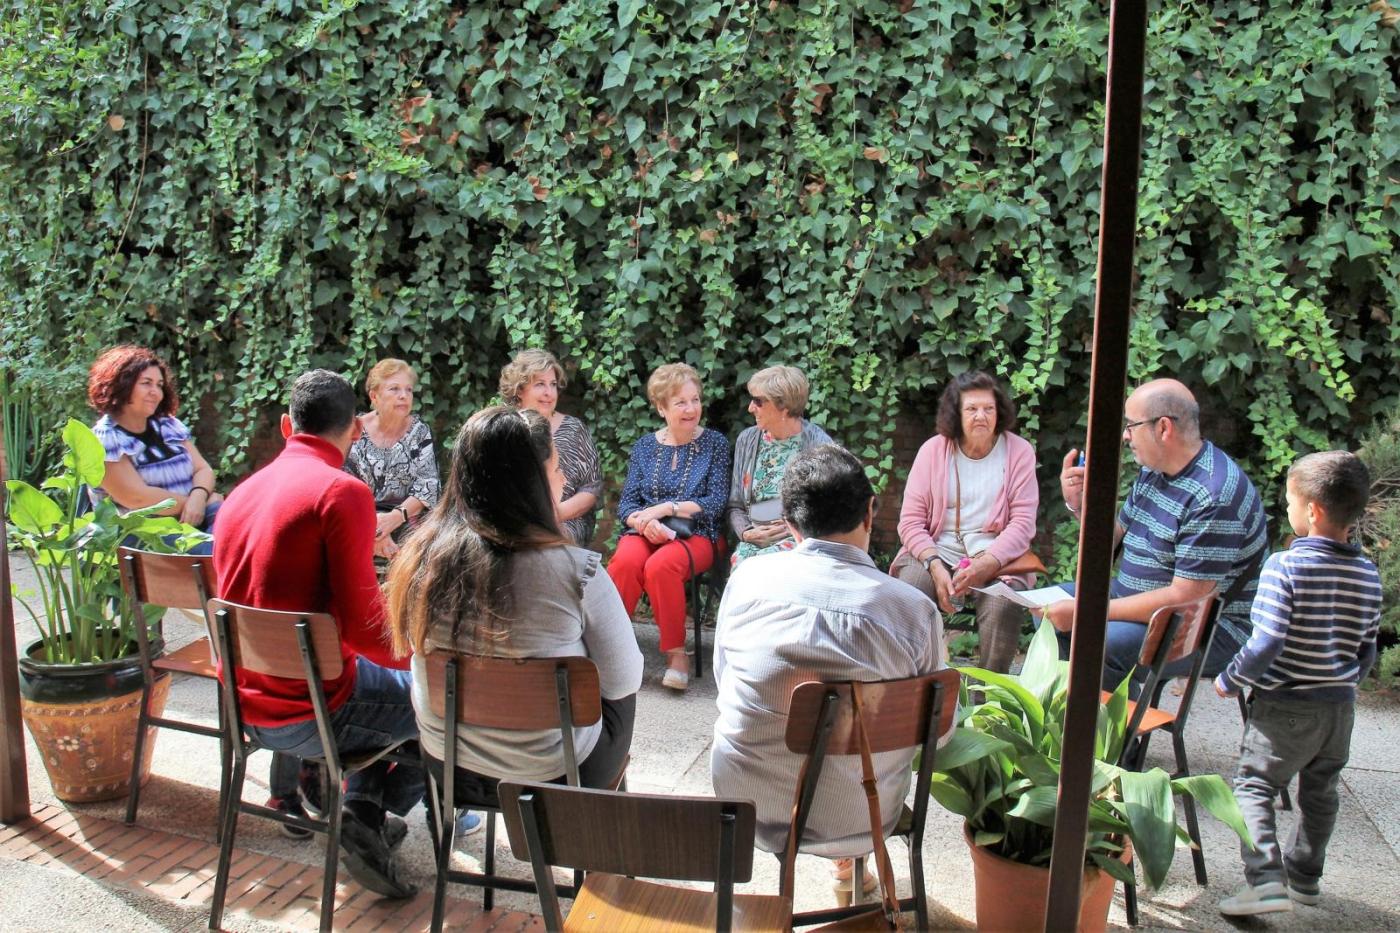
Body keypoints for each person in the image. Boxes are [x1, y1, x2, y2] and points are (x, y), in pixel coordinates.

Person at [213, 369, 423, 899]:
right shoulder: (342, 493)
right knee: (447, 699)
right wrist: (429, 657)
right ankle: (365, 810)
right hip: (314, 712)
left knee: (397, 681)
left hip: (242, 706)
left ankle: (360, 809)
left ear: (287, 426)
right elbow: (366, 630)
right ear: (356, 429)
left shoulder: (241, 492)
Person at [711, 444, 946, 897]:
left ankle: (839, 868)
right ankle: (850, 868)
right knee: (861, 757)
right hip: (863, 812)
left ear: (790, 523)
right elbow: (937, 732)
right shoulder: (913, 612)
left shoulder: (747, 581)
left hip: (748, 801)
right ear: (870, 513)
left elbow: (726, 682)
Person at [385, 406, 643, 802]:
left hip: (451, 768)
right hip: (557, 778)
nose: (562, 479)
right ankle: (599, 840)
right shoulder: (578, 572)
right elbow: (624, 679)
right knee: (620, 695)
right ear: (534, 482)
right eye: (556, 468)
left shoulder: (418, 559)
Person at [1214, 451, 1382, 917]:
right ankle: (1306, 879)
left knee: (1252, 786)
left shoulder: (1284, 568)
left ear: (1312, 510)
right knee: (1320, 791)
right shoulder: (1368, 574)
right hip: (1338, 710)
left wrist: (1232, 678)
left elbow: (1267, 640)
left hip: (1286, 704)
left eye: (1289, 501)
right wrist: (1343, 683)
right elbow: (1366, 649)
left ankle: (1265, 881)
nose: (1286, 511)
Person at [1045, 378, 1269, 694]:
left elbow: (1185, 599)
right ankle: (1071, 718)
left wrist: (1087, 612)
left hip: (1205, 628)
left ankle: (1111, 739)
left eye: (1131, 426)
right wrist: (1082, 507)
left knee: (1099, 642)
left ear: (1163, 428)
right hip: (1137, 604)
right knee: (1048, 611)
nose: (1125, 435)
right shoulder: (1155, 470)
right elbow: (1113, 541)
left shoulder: (1213, 495)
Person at [890, 371, 1039, 673]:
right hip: (935, 550)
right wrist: (933, 565)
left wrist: (988, 562)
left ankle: (987, 701)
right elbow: (910, 522)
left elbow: (1023, 523)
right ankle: (915, 685)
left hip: (997, 556)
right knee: (910, 593)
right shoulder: (933, 450)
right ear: (956, 413)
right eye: (971, 409)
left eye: (988, 408)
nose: (981, 416)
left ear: (1000, 412)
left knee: (1004, 605)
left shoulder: (1018, 451)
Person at [608, 362, 731, 691]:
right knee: (626, 560)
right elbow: (628, 505)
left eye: (695, 400)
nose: (691, 409)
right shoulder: (646, 447)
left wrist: (666, 508)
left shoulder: (715, 444)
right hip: (647, 530)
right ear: (661, 408)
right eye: (680, 402)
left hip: (700, 533)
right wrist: (644, 522)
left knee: (662, 565)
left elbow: (717, 501)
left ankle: (677, 655)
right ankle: (609, 649)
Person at [88, 345, 222, 547]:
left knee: (243, 535)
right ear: (122, 385)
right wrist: (198, 503)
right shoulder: (105, 439)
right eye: (146, 383)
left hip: (194, 517)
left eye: (159, 385)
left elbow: (203, 469)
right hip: (145, 534)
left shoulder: (168, 425)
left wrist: (199, 496)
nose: (155, 392)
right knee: (217, 556)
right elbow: (137, 499)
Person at [726, 364, 832, 566]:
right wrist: (747, 533)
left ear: (783, 406)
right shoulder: (747, 440)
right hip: (754, 540)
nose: (750, 408)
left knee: (764, 570)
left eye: (758, 401)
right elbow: (735, 505)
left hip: (802, 544)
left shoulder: (820, 446)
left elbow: (826, 512)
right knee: (742, 567)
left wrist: (795, 530)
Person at [498, 349, 603, 546]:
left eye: (553, 385)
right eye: (540, 384)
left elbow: (592, 488)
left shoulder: (574, 429)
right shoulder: (504, 429)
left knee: (545, 542)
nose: (549, 393)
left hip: (566, 521)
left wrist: (552, 515)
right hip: (515, 521)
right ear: (520, 389)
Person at [343, 359, 439, 562]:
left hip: (407, 521)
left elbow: (427, 487)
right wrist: (375, 530)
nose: (403, 396)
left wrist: (392, 519)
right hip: (358, 520)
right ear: (374, 396)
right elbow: (344, 488)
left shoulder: (419, 432)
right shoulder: (354, 430)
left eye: (408, 390)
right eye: (394, 389)